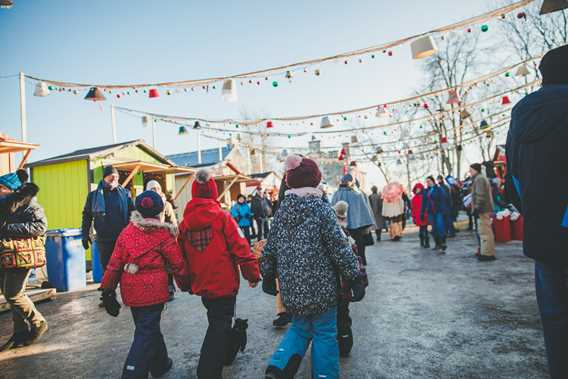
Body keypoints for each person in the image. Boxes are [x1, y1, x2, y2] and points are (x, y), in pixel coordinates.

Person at [262, 155, 365, 379]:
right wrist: (354, 276)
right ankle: (324, 375)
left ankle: (278, 366)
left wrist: (268, 275)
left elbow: (271, 247)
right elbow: (339, 247)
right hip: (322, 290)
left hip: (292, 289)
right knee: (325, 333)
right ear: (315, 180)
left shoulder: (281, 212)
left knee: (299, 328)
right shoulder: (321, 209)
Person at [506, 46, 568, 379]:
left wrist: (536, 211)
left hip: (543, 235)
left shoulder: (521, 113)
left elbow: (511, 182)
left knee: (555, 318)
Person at [178, 169, 260, 379]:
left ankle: (225, 355)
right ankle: (207, 371)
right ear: (213, 193)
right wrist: (252, 274)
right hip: (224, 285)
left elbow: (181, 260)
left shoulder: (184, 225)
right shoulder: (223, 218)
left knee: (217, 320)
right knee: (219, 324)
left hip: (203, 286)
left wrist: (185, 283)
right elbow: (241, 247)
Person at [100, 190, 189, 378]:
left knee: (147, 328)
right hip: (154, 292)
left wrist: (107, 290)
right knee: (145, 332)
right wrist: (185, 283)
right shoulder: (164, 234)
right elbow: (177, 263)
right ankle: (132, 373)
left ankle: (160, 364)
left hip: (131, 291)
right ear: (160, 211)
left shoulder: (126, 233)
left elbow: (114, 264)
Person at [0, 170, 48, 351]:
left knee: (13, 293)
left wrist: (8, 228)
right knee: (8, 293)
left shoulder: (30, 205)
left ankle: (38, 323)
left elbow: (41, 226)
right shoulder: (5, 206)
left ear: (12, 189)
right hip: (6, 255)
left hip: (22, 255)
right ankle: (19, 331)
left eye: (1, 188)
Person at [81, 165, 133, 276]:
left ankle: (126, 291)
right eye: (111, 176)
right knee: (108, 269)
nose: (114, 179)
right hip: (104, 239)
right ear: (105, 177)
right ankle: (109, 292)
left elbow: (133, 214)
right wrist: (85, 234)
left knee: (125, 270)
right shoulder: (93, 196)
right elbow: (87, 216)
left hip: (123, 238)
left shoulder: (125, 193)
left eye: (116, 177)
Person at [332, 200, 368, 358]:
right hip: (341, 287)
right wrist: (359, 281)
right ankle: (344, 345)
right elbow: (354, 261)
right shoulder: (344, 236)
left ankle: (342, 344)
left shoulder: (337, 234)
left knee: (333, 318)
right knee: (342, 316)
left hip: (331, 288)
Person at [331, 174, 375, 265]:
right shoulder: (357, 194)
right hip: (357, 226)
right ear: (351, 182)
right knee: (359, 244)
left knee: (344, 245)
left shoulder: (336, 194)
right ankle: (361, 261)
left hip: (341, 226)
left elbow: (332, 210)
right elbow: (364, 211)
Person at [146, 180, 178, 301]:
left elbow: (173, 223)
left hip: (164, 240)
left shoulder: (166, 205)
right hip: (148, 241)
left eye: (158, 188)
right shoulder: (143, 203)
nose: (156, 191)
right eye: (152, 189)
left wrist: (171, 238)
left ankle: (169, 287)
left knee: (167, 265)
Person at [470, 163, 496, 262]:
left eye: (471, 170)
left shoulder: (479, 179)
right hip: (484, 208)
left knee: (484, 231)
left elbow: (480, 194)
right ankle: (487, 251)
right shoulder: (480, 178)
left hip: (483, 209)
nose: (470, 172)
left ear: (476, 170)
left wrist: (477, 208)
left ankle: (487, 253)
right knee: (486, 231)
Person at [421, 176, 451, 253]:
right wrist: (422, 212)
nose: (428, 182)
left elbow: (443, 199)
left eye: (429, 181)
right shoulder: (425, 191)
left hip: (438, 211)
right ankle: (437, 243)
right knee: (432, 229)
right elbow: (424, 202)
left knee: (440, 227)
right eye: (426, 181)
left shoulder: (438, 189)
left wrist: (444, 210)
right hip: (430, 212)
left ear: (433, 181)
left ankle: (442, 243)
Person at [411, 183, 429, 248]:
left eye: (418, 189)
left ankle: (427, 242)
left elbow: (427, 206)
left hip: (424, 215)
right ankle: (422, 242)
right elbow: (413, 209)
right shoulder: (414, 198)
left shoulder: (425, 196)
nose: (417, 190)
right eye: (416, 189)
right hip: (418, 216)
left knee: (425, 229)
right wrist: (414, 217)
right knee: (421, 229)